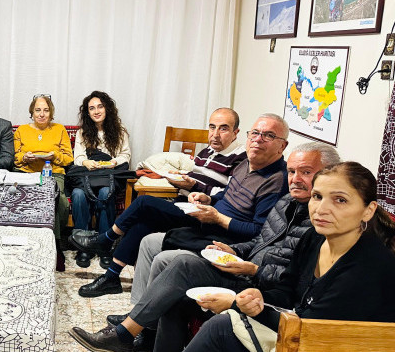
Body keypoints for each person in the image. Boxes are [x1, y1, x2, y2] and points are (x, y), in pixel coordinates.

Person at [101, 162, 395, 352]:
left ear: (368, 210)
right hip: (302, 345)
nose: (322, 208)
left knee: (224, 324)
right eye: (318, 197)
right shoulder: (315, 238)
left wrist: (242, 307)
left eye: (340, 200)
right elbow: (287, 290)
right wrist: (258, 296)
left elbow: (309, 330)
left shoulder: (370, 264)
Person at [69, 143, 339, 352]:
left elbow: (297, 279)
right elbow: (260, 241)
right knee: (149, 232)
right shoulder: (286, 201)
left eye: (305, 172)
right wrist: (234, 252)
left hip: (258, 284)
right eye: (292, 172)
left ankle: (126, 331)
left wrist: (251, 268)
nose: (295, 179)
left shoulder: (320, 221)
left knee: (176, 256)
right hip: (240, 261)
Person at [71, 114, 290, 298]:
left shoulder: (269, 176)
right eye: (255, 134)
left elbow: (259, 232)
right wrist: (208, 199)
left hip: (217, 229)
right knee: (143, 225)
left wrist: (212, 208)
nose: (258, 140)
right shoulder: (243, 163)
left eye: (268, 136)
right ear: (248, 135)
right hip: (200, 209)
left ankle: (105, 240)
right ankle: (111, 276)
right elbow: (226, 194)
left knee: (144, 203)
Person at [70, 91, 131, 267]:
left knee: (106, 192)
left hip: (109, 176)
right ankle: (84, 246)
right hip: (88, 175)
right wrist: (87, 162)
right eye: (92, 108)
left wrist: (113, 162)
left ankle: (104, 245)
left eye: (100, 106)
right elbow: (78, 158)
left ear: (107, 108)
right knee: (78, 194)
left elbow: (125, 156)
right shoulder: (83, 133)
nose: (96, 111)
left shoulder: (120, 132)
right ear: (87, 112)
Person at [13, 94, 74, 269]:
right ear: (32, 112)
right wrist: (24, 157)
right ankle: (27, 243)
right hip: (26, 173)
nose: (41, 114)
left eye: (46, 110)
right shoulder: (21, 131)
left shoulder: (59, 129)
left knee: (60, 201)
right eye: (38, 110)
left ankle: (56, 244)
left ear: (51, 112)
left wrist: (54, 156)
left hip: (53, 173)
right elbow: (16, 158)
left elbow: (68, 159)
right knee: (21, 199)